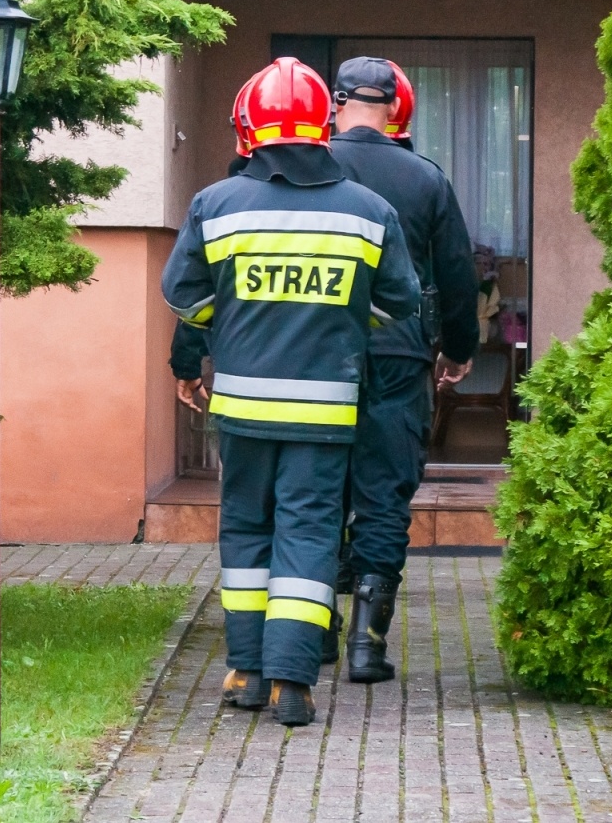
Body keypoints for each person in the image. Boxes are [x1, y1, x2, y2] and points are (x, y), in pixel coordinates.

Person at [161, 57, 420, 726]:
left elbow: (182, 295)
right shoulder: (369, 212)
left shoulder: (215, 205)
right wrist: (343, 320)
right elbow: (401, 302)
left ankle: (246, 672)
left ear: (248, 126)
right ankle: (293, 684)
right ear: (321, 123)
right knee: (309, 533)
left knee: (247, 531)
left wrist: (233, 324)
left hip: (242, 408)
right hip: (325, 409)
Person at [326, 56, 479, 684]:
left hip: (319, 354)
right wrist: (458, 349)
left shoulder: (309, 165)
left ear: (335, 103)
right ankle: (367, 646)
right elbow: (458, 274)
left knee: (316, 489)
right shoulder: (426, 179)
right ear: (395, 108)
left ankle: (312, 632)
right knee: (385, 494)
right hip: (399, 353)